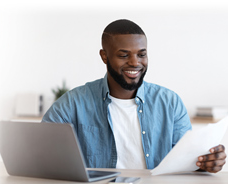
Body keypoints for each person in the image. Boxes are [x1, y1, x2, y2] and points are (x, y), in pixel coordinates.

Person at [42, 19, 226, 173]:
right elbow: (42, 155)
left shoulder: (170, 102)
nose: (135, 62)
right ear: (104, 56)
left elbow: (187, 162)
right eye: (124, 55)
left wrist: (205, 163)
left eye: (141, 54)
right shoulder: (72, 103)